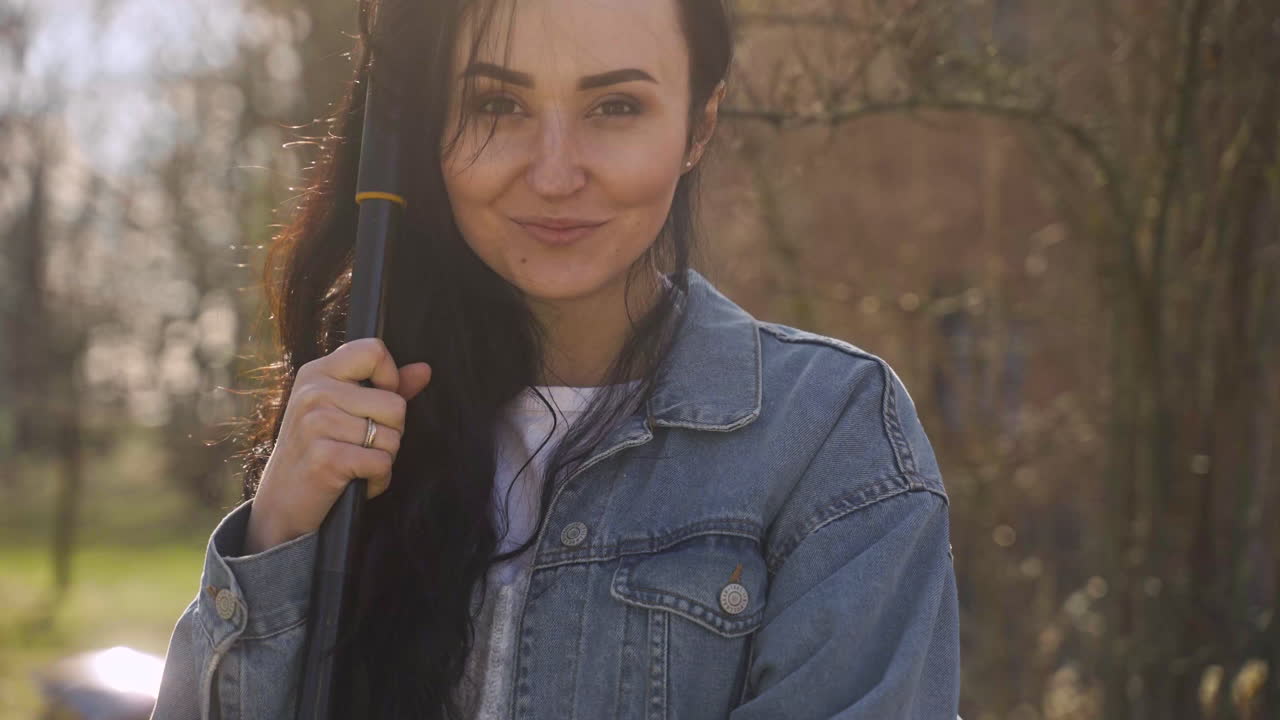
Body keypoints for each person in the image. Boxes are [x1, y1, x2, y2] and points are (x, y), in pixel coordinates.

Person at [151, 0, 960, 717]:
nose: (554, 171)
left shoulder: (831, 439)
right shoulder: (350, 420)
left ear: (698, 127)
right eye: (498, 103)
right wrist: (278, 536)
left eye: (616, 105)